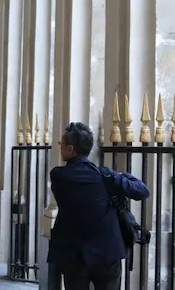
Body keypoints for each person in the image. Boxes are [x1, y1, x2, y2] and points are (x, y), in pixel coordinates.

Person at [48, 122, 150, 290]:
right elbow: (142, 191)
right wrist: (122, 175)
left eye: (62, 144)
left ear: (70, 149)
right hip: (107, 252)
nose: (60, 147)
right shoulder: (106, 176)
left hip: (74, 254)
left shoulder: (59, 176)